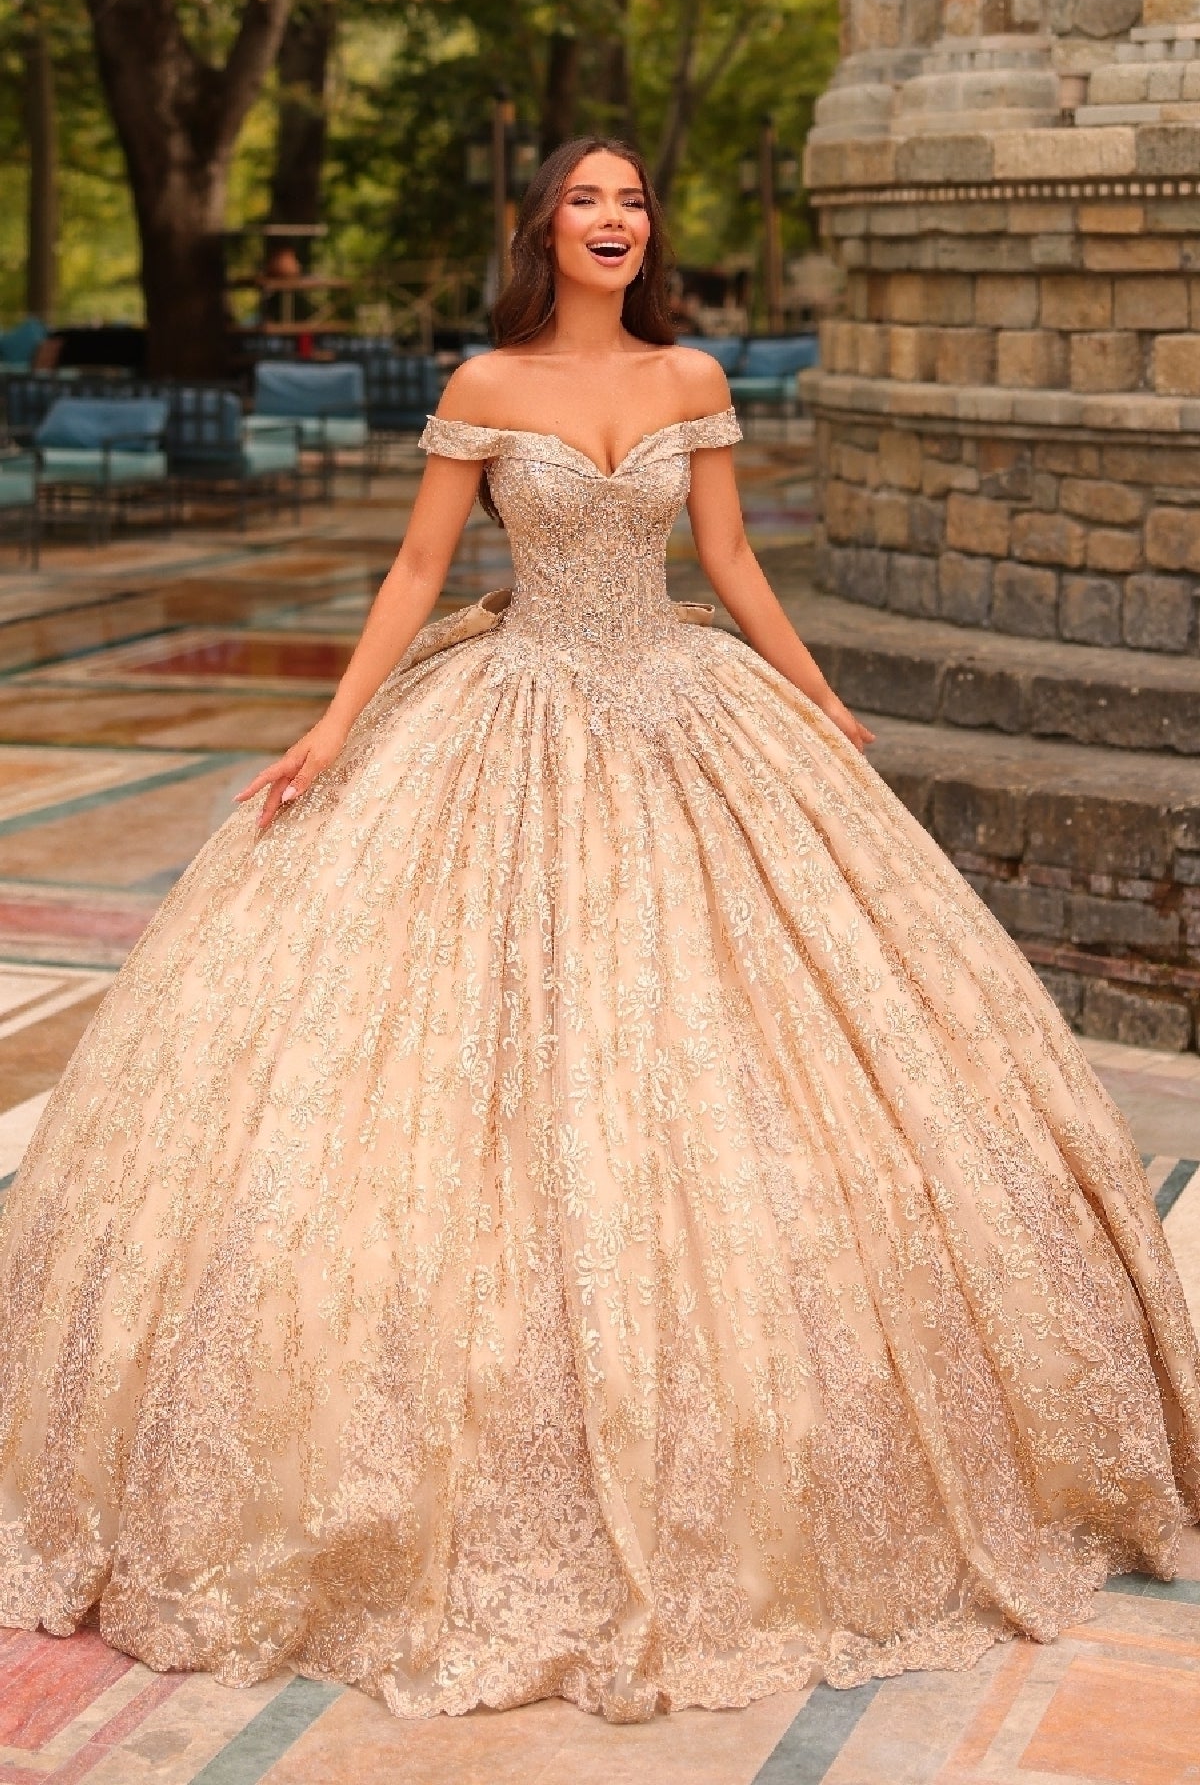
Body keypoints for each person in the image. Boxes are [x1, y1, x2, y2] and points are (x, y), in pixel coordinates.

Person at [0, 138, 1196, 1727]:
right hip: (510, 713)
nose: (615, 220)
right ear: (543, 226)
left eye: (633, 200)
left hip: (684, 704)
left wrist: (823, 697)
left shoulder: (695, 370)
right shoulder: (485, 383)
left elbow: (730, 560)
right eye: (588, 199)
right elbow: (421, 565)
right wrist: (335, 731)